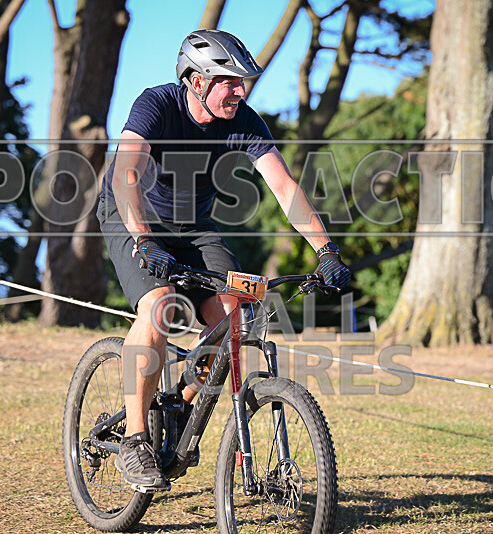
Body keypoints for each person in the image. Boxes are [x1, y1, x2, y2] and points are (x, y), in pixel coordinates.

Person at [97, 29, 351, 491]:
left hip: (192, 226)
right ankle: (135, 440)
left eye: (243, 81)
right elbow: (126, 172)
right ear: (196, 81)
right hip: (132, 212)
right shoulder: (156, 105)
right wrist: (144, 240)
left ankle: (179, 403)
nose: (240, 91)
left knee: (235, 314)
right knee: (159, 306)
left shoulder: (245, 120)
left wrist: (325, 250)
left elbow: (284, 188)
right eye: (228, 81)